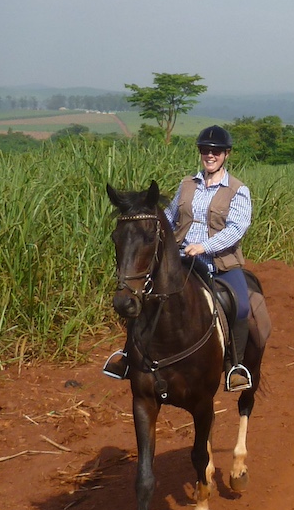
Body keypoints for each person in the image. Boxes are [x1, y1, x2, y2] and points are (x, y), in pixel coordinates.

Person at [104, 124, 255, 392]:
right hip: (183, 260)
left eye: (216, 152)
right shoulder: (187, 184)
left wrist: (204, 246)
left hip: (220, 264)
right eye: (205, 151)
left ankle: (235, 366)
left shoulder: (237, 190)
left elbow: (236, 228)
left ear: (226, 154)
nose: (210, 155)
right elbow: (170, 217)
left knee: (241, 306)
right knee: (142, 296)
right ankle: (129, 356)